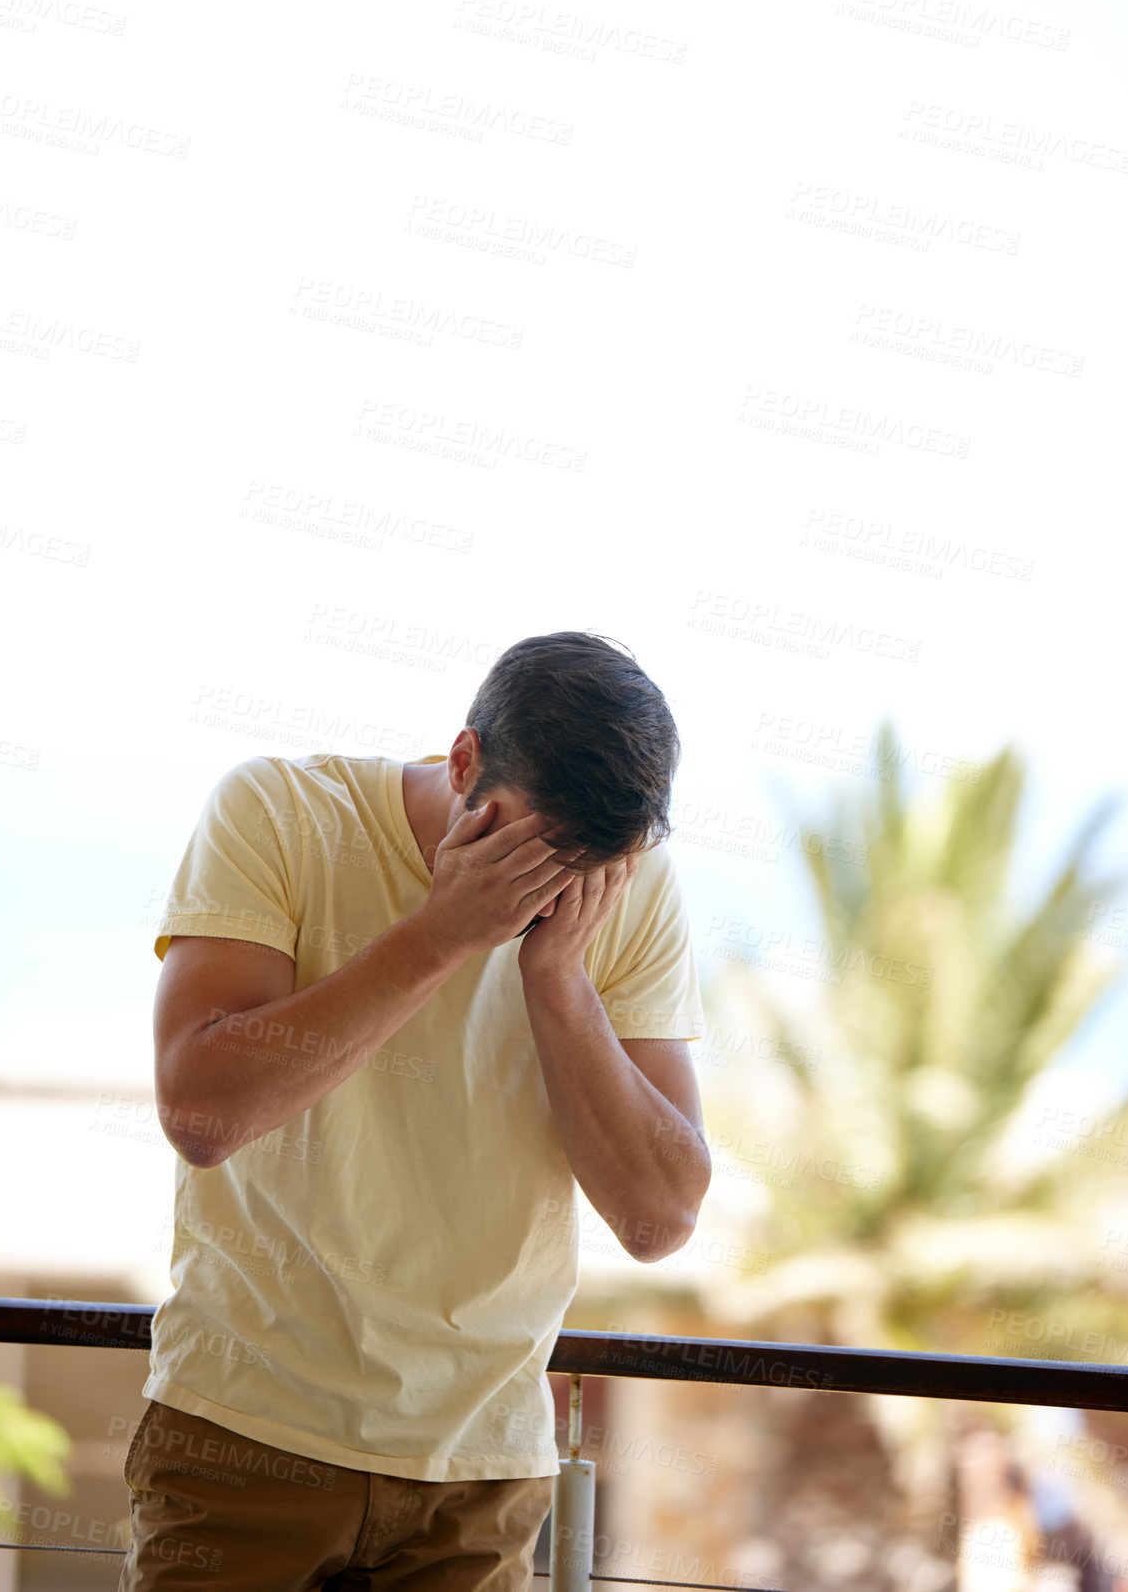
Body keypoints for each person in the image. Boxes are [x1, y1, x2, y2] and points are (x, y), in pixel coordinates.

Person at [120, 630, 710, 1590]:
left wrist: (558, 979)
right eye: (532, 849)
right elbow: (201, 1114)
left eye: (588, 867)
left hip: (480, 1470)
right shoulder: (278, 810)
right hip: (245, 1434)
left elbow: (658, 1218)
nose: (555, 889)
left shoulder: (630, 889)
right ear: (464, 761)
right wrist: (439, 938)